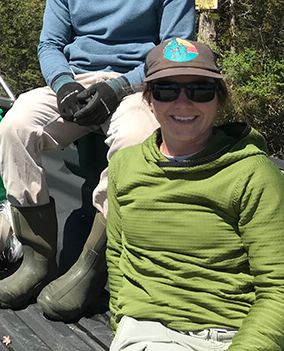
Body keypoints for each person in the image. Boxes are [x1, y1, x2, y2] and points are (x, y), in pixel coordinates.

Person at [0, 0, 197, 319]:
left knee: (137, 141)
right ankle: (38, 260)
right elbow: (49, 44)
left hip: (139, 85)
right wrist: (63, 86)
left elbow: (176, 49)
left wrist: (119, 86)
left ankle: (90, 267)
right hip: (76, 82)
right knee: (15, 126)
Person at [107, 38, 284, 350]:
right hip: (145, 331)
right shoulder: (125, 165)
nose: (183, 103)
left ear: (219, 99)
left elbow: (278, 286)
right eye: (166, 90)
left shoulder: (253, 173)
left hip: (231, 336)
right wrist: (123, 323)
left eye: (200, 90)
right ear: (149, 100)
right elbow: (117, 255)